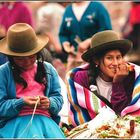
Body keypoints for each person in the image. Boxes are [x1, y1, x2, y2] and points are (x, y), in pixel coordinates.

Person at [0, 23, 65, 138]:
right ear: (11, 57)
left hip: (46, 124)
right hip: (16, 125)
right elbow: (1, 107)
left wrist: (50, 103)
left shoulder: (48, 69)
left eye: (31, 56)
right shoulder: (3, 73)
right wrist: (22, 102)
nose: (27, 62)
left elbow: (58, 98)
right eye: (20, 59)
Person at [66, 30, 140, 127]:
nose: (116, 63)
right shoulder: (80, 79)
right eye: (109, 58)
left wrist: (117, 83)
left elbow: (124, 116)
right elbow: (83, 119)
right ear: (96, 60)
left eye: (118, 57)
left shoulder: (131, 77)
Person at [59, 1, 112, 71]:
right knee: (72, 80)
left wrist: (90, 41)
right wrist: (65, 43)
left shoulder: (98, 7)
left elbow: (107, 31)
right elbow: (63, 34)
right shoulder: (68, 10)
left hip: (94, 58)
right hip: (74, 59)